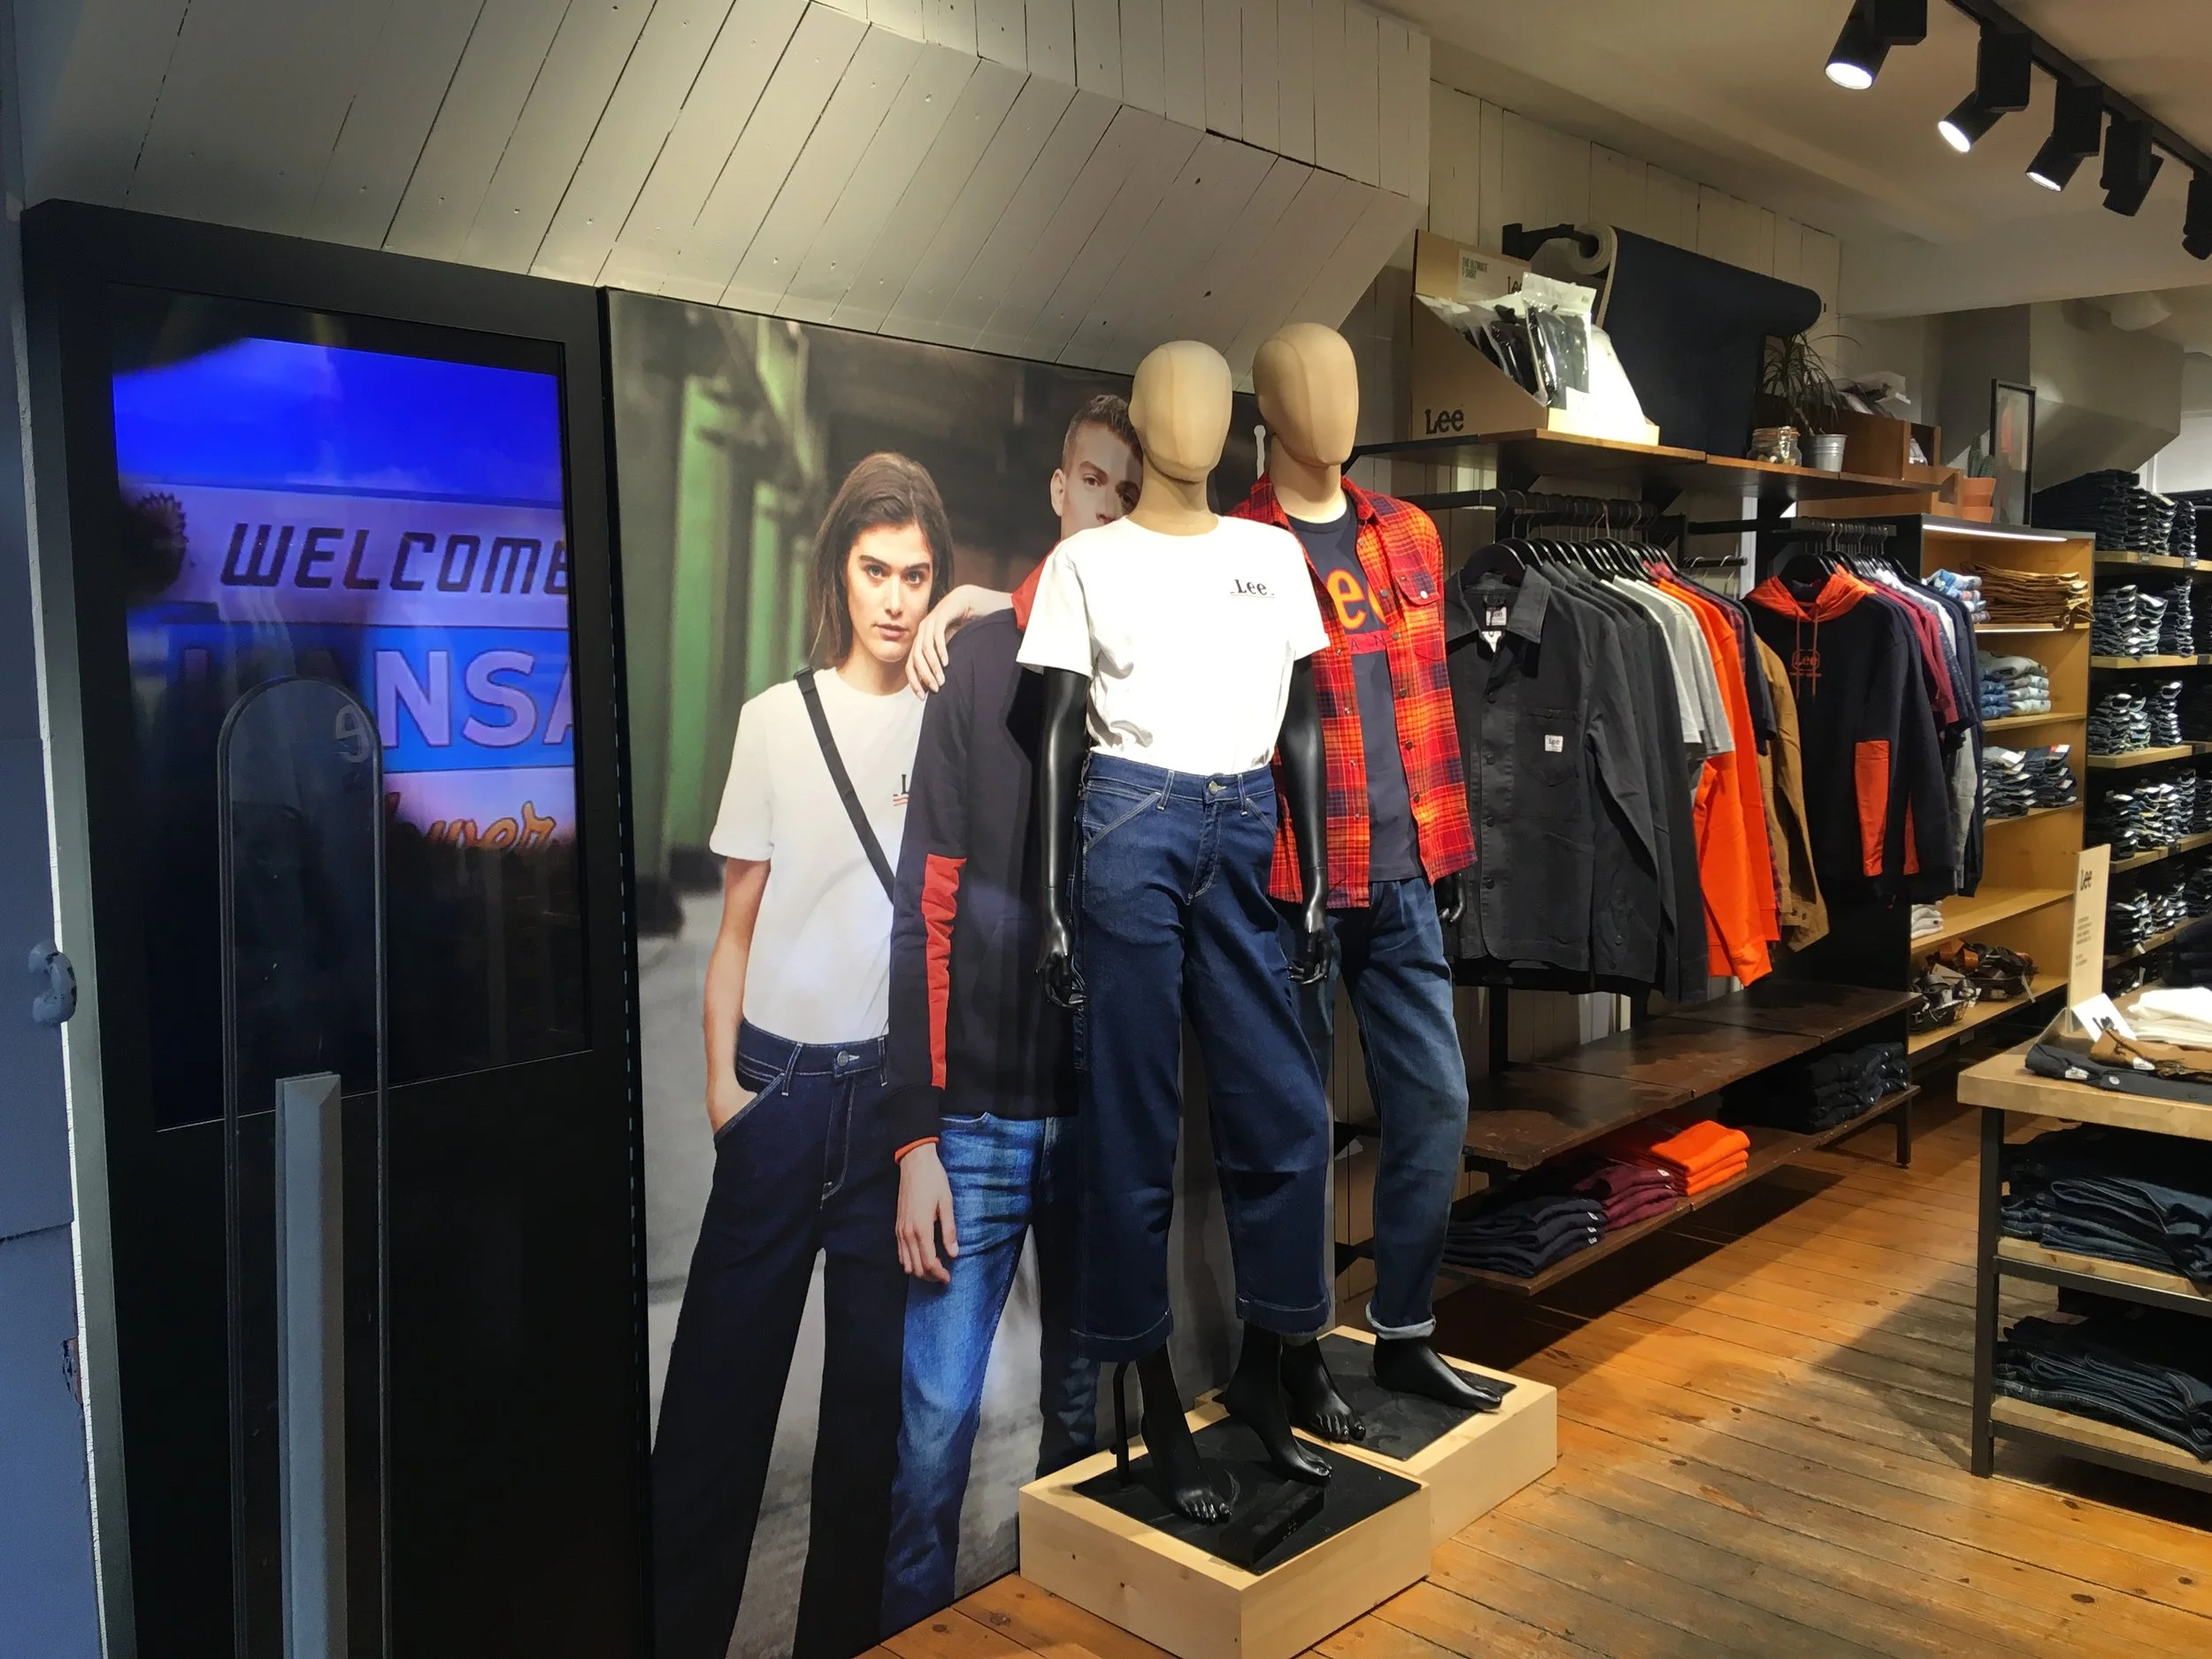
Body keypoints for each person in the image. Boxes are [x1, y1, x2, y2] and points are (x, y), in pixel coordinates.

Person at [653, 453, 953, 1659]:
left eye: (917, 577)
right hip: (776, 1095)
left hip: (888, 1111)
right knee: (710, 1427)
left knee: (865, 1444)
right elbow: (732, 927)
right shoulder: (774, 720)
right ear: (840, 571)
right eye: (876, 571)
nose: (896, 599)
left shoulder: (945, 722)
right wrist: (723, 1091)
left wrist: (975, 603)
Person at [878, 396, 1141, 1631]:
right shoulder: (978, 662)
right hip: (977, 1114)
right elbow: (923, 909)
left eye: (1128, 487)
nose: (1105, 503)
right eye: (1091, 477)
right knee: (934, 1429)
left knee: (1080, 1426)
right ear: (1058, 488)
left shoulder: (1153, 681)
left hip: (1092, 1110)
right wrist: (915, 1136)